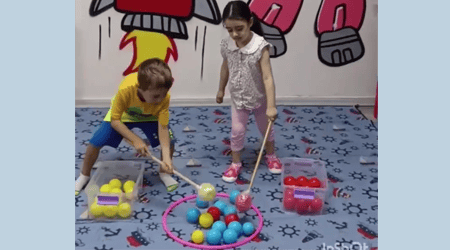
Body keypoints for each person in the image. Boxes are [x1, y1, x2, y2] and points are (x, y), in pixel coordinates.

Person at [75, 58, 178, 195]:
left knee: (170, 141)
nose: (160, 99)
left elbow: (163, 127)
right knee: (95, 142)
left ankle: (164, 173)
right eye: (156, 96)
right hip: (123, 117)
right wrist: (135, 140)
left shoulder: (163, 97)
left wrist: (166, 159)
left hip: (151, 117)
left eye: (164, 95)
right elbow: (115, 120)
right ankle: (84, 175)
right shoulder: (125, 89)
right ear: (140, 89)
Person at [216, 1, 282, 183]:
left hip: (259, 99)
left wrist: (271, 106)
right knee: (237, 130)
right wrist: (221, 89)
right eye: (230, 30)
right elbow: (225, 68)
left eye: (239, 28)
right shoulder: (227, 45)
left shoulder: (260, 46)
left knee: (266, 129)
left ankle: (271, 155)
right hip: (238, 99)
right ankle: (235, 163)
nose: (235, 34)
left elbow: (268, 78)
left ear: (250, 22)